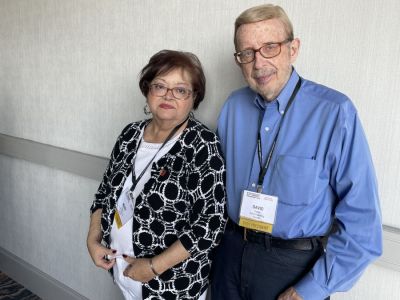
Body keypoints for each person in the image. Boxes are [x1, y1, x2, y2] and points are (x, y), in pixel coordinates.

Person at [211, 4, 382, 300]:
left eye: (270, 47)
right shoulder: (232, 108)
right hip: (229, 256)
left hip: (293, 269)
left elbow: (362, 223)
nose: (258, 63)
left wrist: (311, 289)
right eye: (247, 53)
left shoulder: (334, 112)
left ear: (294, 48)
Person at [87, 50, 227, 300]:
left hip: (171, 285)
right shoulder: (130, 135)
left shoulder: (202, 145)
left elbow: (210, 225)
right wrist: (93, 238)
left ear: (194, 98)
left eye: (181, 90)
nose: (168, 96)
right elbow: (105, 191)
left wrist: (153, 267)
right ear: (147, 90)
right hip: (123, 271)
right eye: (160, 86)